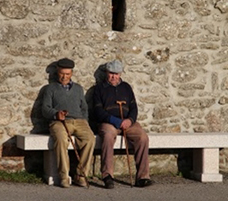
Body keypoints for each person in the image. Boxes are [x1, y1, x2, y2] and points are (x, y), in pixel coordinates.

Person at [93, 60, 153, 189]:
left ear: (120, 74)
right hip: (109, 122)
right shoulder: (99, 89)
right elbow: (98, 111)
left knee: (142, 137)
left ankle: (143, 177)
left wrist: (130, 120)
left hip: (127, 122)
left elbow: (134, 108)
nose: (113, 77)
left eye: (116, 74)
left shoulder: (126, 87)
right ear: (106, 73)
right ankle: (107, 176)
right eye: (111, 73)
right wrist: (116, 121)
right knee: (108, 136)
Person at [42, 58, 95, 188]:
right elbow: (45, 109)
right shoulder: (50, 89)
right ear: (57, 72)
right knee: (61, 140)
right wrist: (56, 114)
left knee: (90, 139)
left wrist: (85, 121)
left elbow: (84, 108)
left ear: (71, 73)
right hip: (59, 122)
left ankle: (80, 175)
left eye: (67, 74)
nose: (64, 77)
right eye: (62, 74)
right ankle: (64, 176)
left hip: (79, 121)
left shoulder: (78, 88)